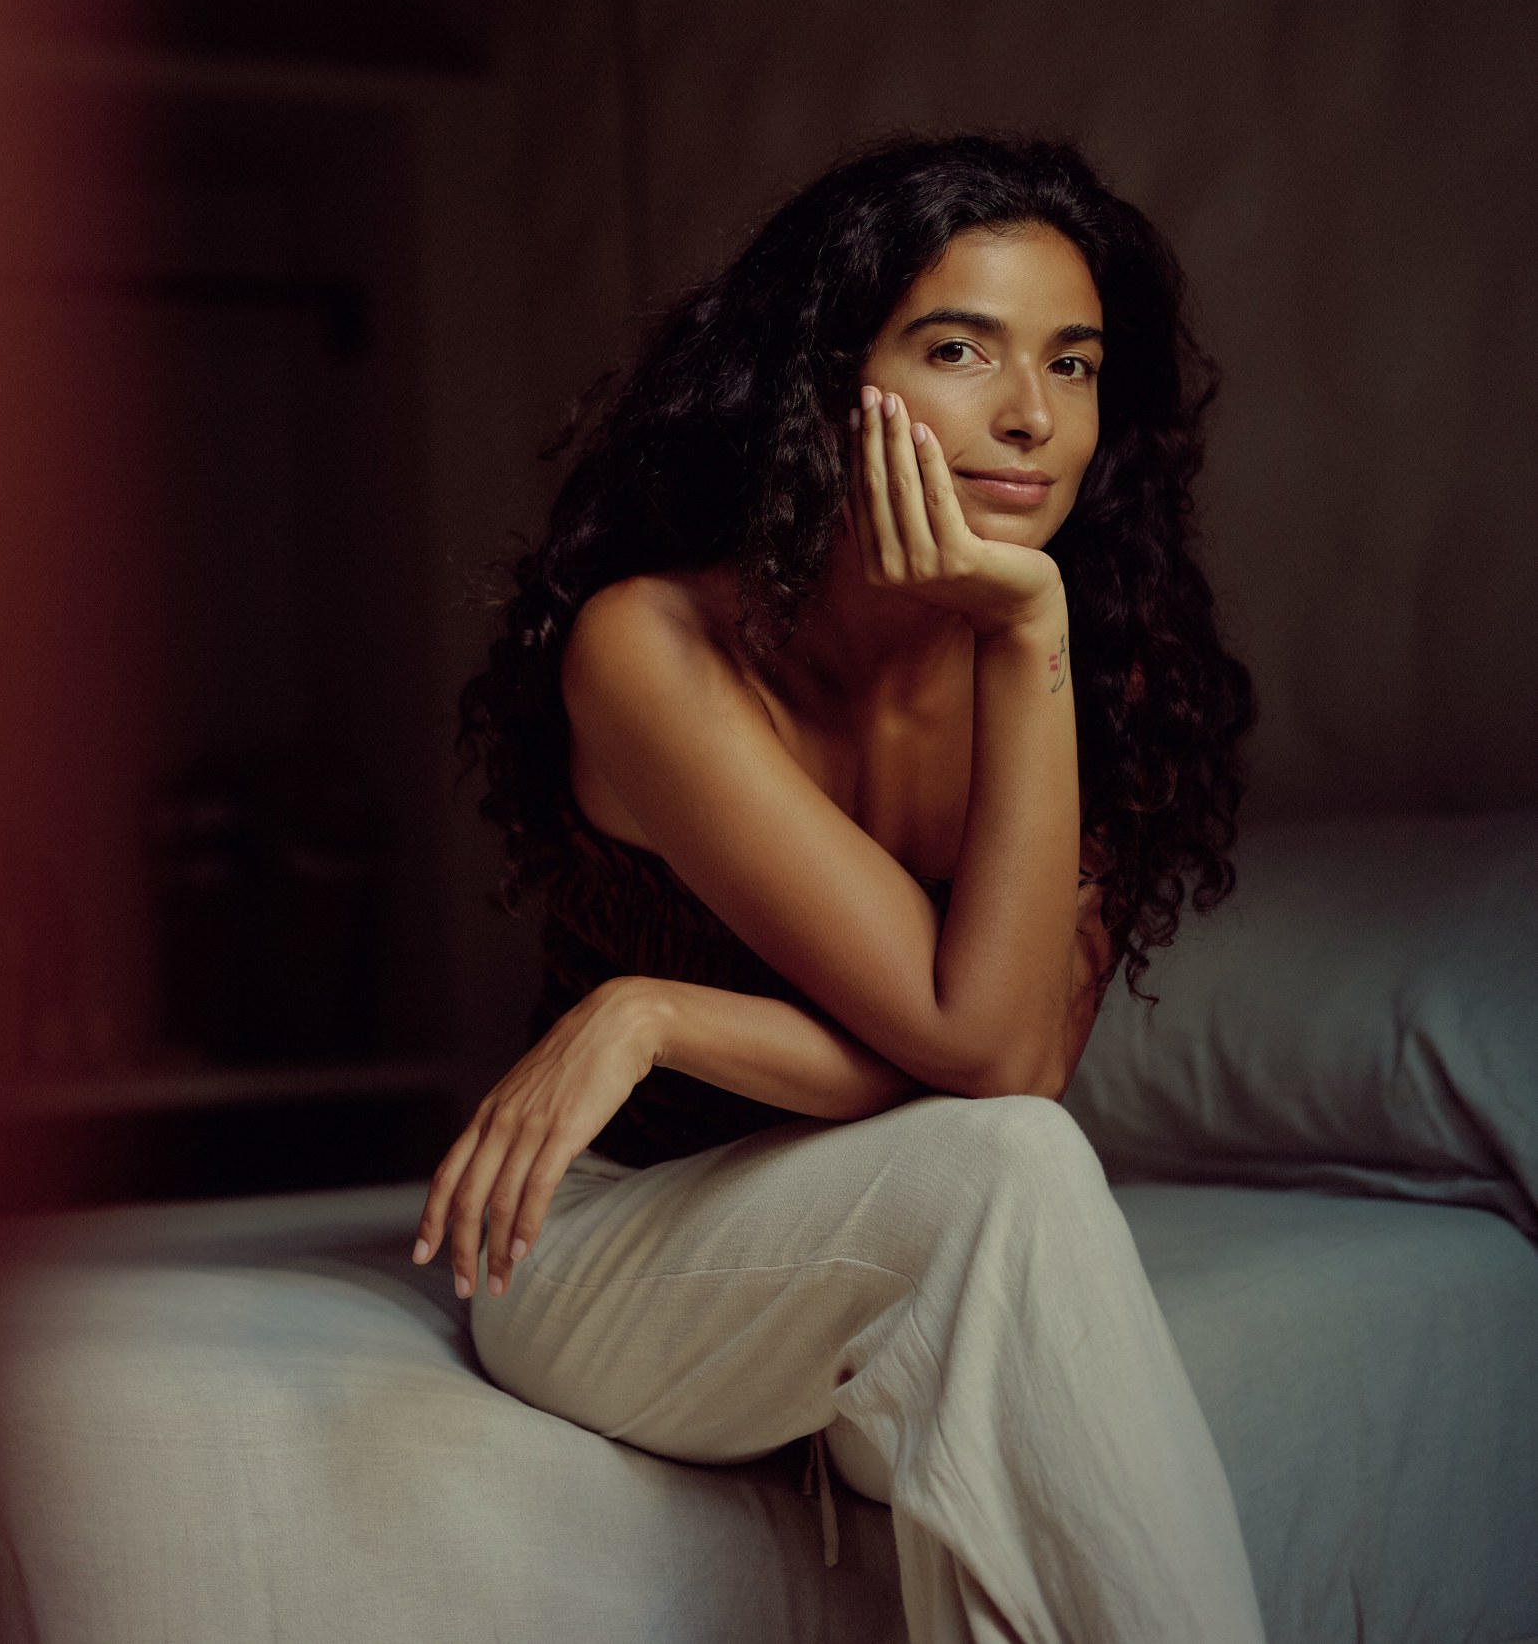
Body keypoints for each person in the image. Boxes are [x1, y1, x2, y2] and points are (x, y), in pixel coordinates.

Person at [412, 133, 1267, 1644]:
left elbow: (1004, 1059)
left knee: (1005, 1219)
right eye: (961, 349)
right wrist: (659, 1031)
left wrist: (659, 1015)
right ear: (820, 382)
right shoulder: (655, 647)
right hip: (607, 1241)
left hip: (890, 1248)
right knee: (1013, 1175)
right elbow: (984, 1080)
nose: (1030, 419)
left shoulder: (1082, 657)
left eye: (1074, 366)